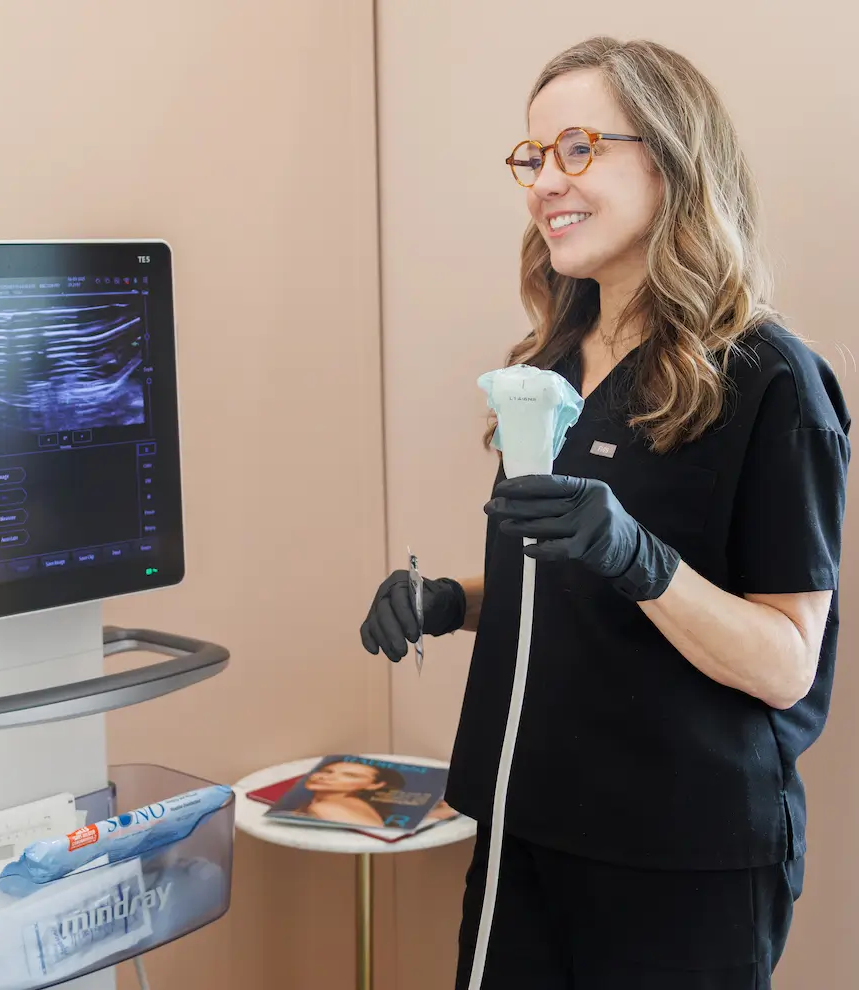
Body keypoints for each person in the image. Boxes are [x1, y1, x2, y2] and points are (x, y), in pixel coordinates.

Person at [359, 36, 850, 990]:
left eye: (578, 148)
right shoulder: (552, 362)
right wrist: (450, 600)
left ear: (671, 161)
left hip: (680, 856)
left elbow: (788, 663)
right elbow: (565, 572)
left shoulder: (770, 381)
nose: (546, 181)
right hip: (526, 822)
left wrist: (640, 558)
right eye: (534, 156)